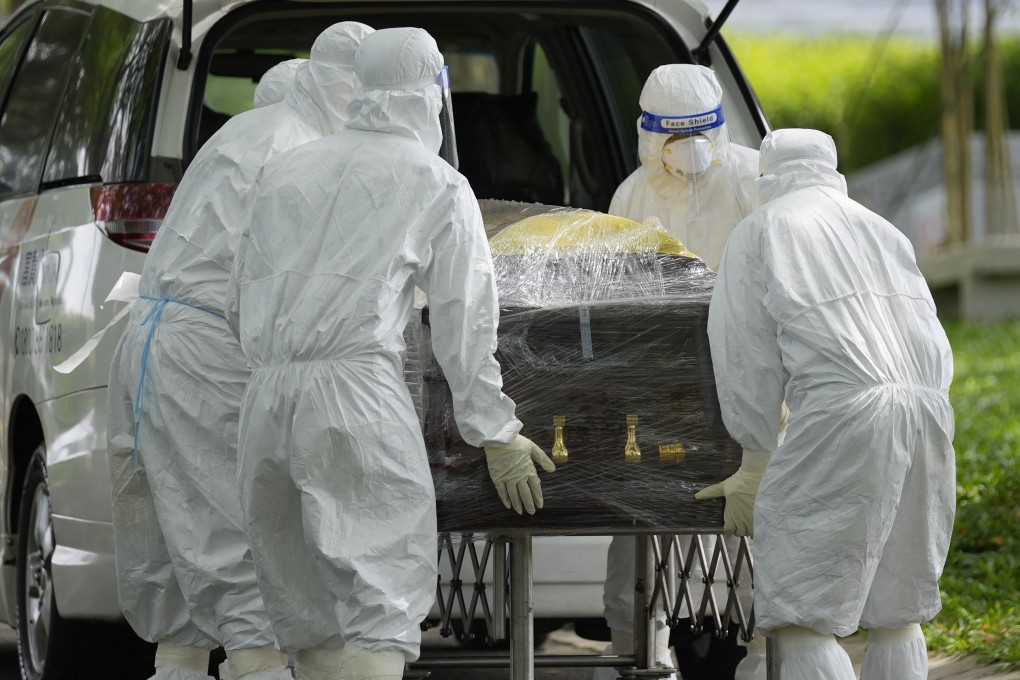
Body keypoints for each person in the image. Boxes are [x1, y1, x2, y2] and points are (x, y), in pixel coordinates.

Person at [225, 26, 555, 680]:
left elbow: (238, 300)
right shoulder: (433, 181)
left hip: (263, 405)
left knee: (305, 613)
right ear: (431, 93)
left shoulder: (288, 168)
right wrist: (494, 430)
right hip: (356, 404)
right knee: (381, 599)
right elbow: (465, 318)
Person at [106, 21, 374, 680]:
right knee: (241, 546)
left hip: (159, 344)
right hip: (207, 358)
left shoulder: (254, 131)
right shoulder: (299, 151)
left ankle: (185, 667)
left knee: (181, 553)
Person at [700, 128, 955, 680]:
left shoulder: (763, 227)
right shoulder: (883, 228)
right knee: (897, 611)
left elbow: (746, 356)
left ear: (765, 176)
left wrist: (754, 457)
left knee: (800, 614)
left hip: (846, 413)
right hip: (929, 411)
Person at [597, 63, 762, 680]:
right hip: (665, 392)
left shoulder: (751, 179)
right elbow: (618, 298)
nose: (687, 155)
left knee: (755, 540)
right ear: (647, 135)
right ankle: (638, 654)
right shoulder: (631, 196)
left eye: (699, 136)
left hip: (751, 387)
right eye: (673, 140)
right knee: (640, 551)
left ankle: (766, 652)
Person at [608, 63, 758, 271]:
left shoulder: (755, 177)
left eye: (699, 134)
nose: (691, 149)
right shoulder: (629, 198)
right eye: (676, 136)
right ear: (652, 138)